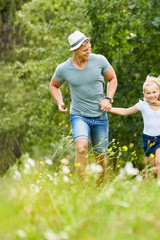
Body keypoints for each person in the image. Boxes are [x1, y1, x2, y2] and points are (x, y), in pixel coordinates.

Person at [49, 30, 118, 187]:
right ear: (75, 50)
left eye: (90, 47)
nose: (89, 51)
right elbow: (54, 85)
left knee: (100, 156)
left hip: (100, 116)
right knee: (81, 149)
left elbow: (112, 79)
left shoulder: (99, 61)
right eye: (85, 50)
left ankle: (98, 187)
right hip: (79, 115)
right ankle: (86, 188)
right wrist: (59, 102)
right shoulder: (63, 68)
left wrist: (108, 99)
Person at [109, 75, 160, 181]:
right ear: (144, 94)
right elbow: (125, 111)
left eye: (154, 92)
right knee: (154, 168)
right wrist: (109, 109)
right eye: (148, 93)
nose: (151, 95)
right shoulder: (142, 105)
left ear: (159, 92)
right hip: (148, 139)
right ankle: (155, 184)